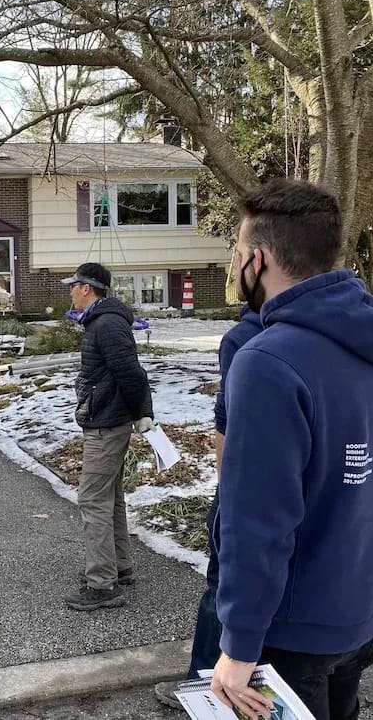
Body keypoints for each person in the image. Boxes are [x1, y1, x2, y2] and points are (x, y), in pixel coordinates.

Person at [210, 179, 373, 720]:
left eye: (235, 253)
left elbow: (257, 519)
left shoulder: (267, 360)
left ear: (258, 259)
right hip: (361, 611)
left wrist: (237, 646)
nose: (233, 269)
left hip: (292, 633)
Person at [155, 303, 262, 708]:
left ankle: (205, 685)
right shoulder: (351, 332)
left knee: (225, 586)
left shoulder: (244, 339)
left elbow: (228, 422)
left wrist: (229, 495)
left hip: (251, 488)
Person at [62, 262, 154, 611]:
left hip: (106, 423)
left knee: (92, 499)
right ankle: (119, 567)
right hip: (108, 419)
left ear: (87, 288)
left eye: (74, 286)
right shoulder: (104, 322)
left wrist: (142, 412)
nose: (71, 291)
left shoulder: (107, 325)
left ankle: (101, 584)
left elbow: (131, 373)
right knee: (109, 496)